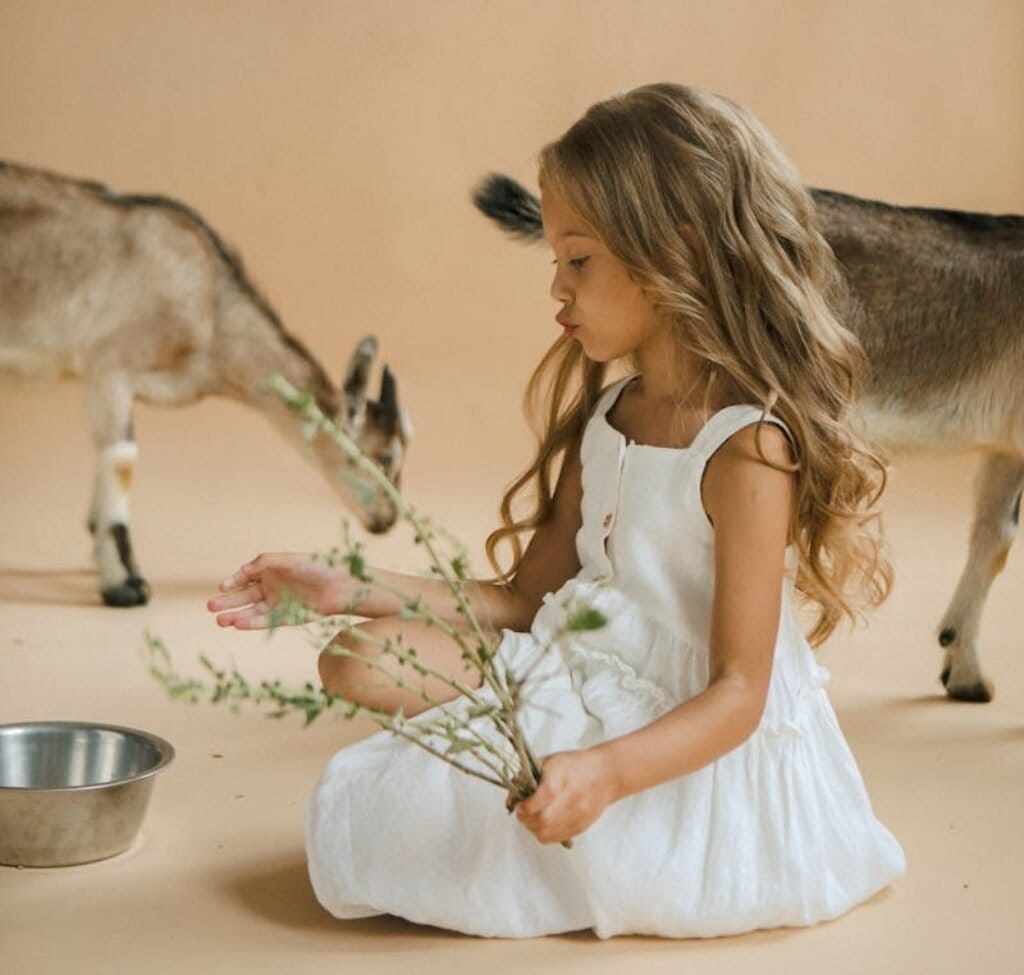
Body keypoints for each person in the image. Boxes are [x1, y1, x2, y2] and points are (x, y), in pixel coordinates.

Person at [207, 83, 905, 939]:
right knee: (356, 655)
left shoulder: (745, 449)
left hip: (679, 732)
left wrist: (605, 771)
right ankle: (527, 785)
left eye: (578, 260)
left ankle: (578, 813)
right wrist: (346, 586)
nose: (557, 290)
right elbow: (523, 598)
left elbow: (737, 693)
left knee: (431, 837)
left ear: (674, 254)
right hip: (578, 666)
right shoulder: (609, 419)